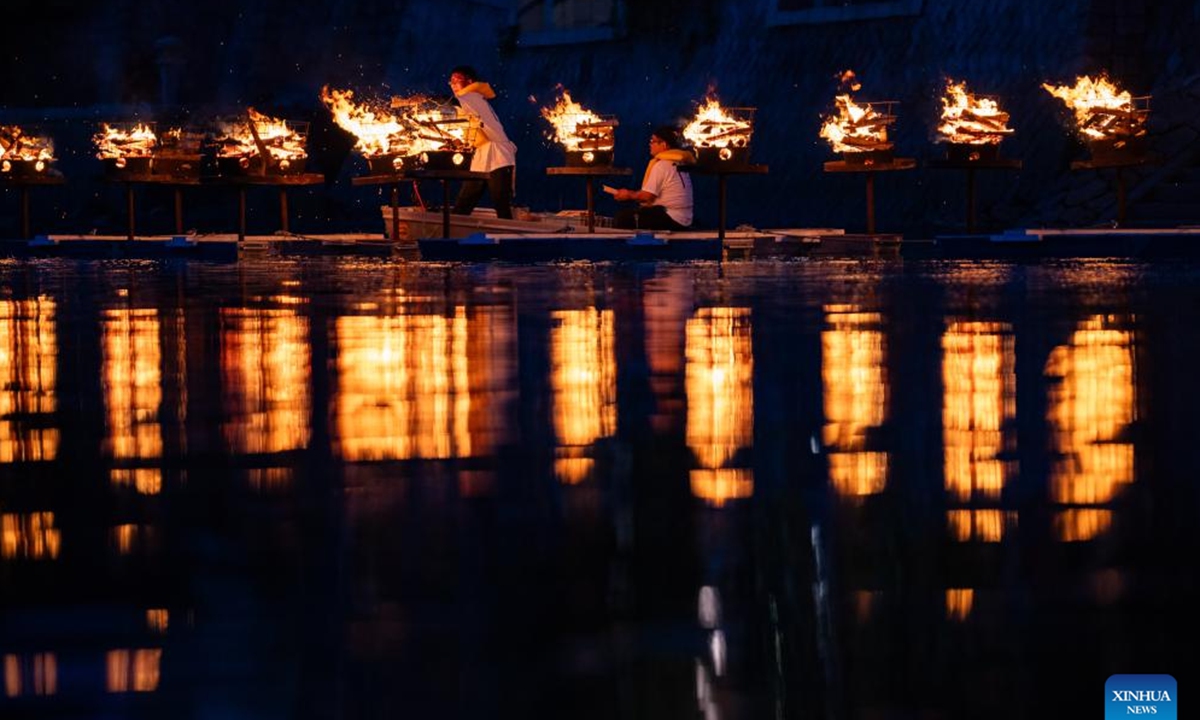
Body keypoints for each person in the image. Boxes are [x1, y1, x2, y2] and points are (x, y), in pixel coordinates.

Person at [448, 65, 518, 219]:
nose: (452, 84)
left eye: (456, 80)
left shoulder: (471, 96)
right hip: (480, 156)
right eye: (451, 81)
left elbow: (449, 103)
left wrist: (427, 100)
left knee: (501, 204)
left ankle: (507, 237)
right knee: (464, 202)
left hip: (498, 156)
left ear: (470, 81)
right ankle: (453, 233)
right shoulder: (466, 103)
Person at [611, 126, 695, 230]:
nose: (650, 144)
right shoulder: (680, 163)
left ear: (664, 144)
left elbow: (647, 196)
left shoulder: (662, 165)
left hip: (671, 218)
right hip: (685, 219)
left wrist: (628, 194)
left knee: (622, 219)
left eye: (653, 141)